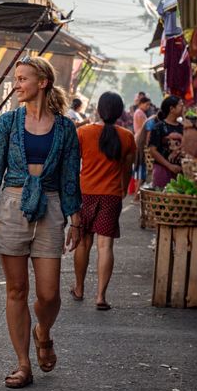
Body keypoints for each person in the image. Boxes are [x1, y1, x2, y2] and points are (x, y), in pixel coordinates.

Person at [0, 56, 82, 389]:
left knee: (49, 294)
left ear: (42, 83)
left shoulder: (65, 128)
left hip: (49, 207)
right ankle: (22, 364)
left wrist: (75, 216)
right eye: (16, 79)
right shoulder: (7, 123)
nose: (16, 85)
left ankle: (42, 332)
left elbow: (69, 175)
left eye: (22, 79)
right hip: (11, 204)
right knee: (17, 290)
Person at [71, 92, 136, 310]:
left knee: (83, 241)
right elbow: (127, 170)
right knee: (105, 245)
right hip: (111, 195)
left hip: (85, 193)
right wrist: (122, 189)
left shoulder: (83, 133)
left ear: (98, 110)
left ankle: (79, 289)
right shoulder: (127, 137)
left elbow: (72, 165)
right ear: (120, 113)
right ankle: (100, 296)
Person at [149, 95, 185, 188]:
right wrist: (170, 166)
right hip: (163, 170)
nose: (183, 108)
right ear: (172, 109)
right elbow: (153, 150)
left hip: (180, 172)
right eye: (181, 105)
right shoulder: (159, 127)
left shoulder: (182, 127)